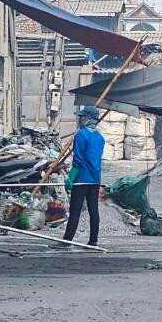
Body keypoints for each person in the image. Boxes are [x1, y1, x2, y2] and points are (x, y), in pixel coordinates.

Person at [62, 105, 104, 246]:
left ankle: (67, 240)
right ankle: (93, 241)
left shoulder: (81, 135)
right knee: (93, 210)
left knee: (75, 210)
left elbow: (78, 160)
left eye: (82, 117)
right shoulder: (100, 138)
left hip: (81, 179)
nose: (79, 119)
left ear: (87, 119)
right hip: (95, 179)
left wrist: (70, 178)